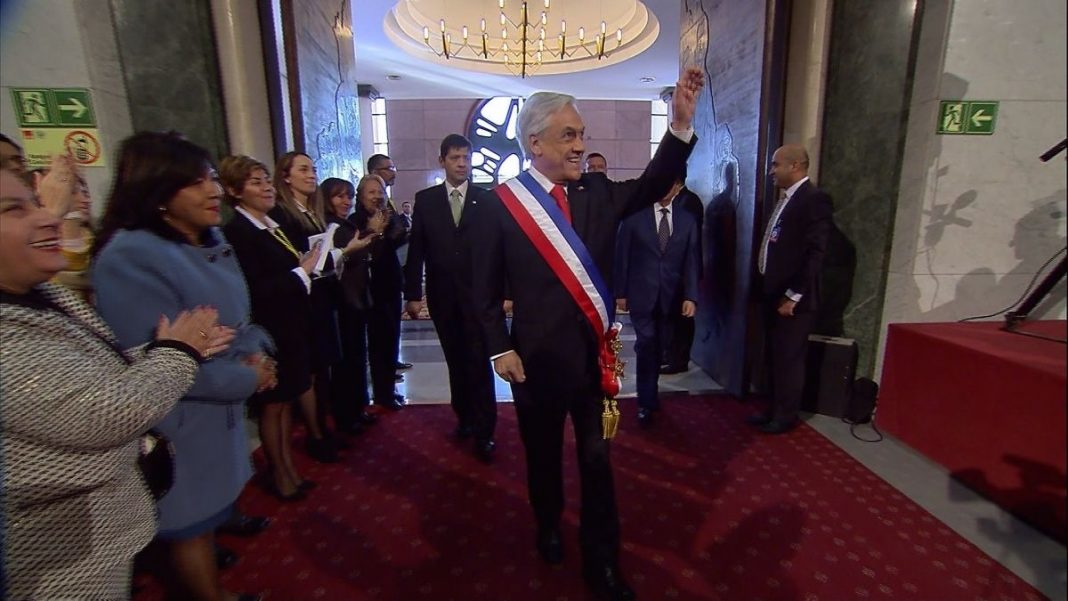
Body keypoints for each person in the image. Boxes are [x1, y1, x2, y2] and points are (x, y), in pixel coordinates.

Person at [470, 67, 704, 601]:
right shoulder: (500, 205)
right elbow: (481, 291)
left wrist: (679, 127)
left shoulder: (597, 192)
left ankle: (603, 564)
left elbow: (652, 182)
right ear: (535, 143)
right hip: (533, 361)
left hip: (596, 359)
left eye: (582, 135)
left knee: (598, 463)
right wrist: (499, 347)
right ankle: (548, 523)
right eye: (569, 135)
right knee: (542, 456)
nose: (580, 146)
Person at [0, 167, 225, 600]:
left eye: (35, 202)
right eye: (14, 209)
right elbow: (101, 414)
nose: (48, 217)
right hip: (57, 555)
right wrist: (177, 352)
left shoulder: (37, 294)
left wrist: (165, 349)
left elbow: (78, 380)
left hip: (96, 526)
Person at [92, 132, 275, 601]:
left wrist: (256, 351)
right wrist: (247, 377)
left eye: (212, 178)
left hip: (219, 405)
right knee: (189, 523)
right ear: (157, 192)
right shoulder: (130, 256)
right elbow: (156, 361)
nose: (213, 191)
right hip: (182, 418)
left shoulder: (208, 237)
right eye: (194, 182)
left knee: (206, 520)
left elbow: (236, 319)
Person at [220, 155, 327, 501]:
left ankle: (289, 470)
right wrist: (301, 272)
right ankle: (280, 475)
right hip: (269, 330)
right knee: (273, 404)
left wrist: (302, 266)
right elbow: (255, 289)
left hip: (291, 324)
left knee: (285, 403)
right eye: (256, 182)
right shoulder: (238, 232)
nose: (267, 188)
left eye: (267, 180)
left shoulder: (270, 225)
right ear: (235, 191)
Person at [405, 134, 497, 463]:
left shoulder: (486, 198)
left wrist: (504, 292)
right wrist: (412, 294)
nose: (461, 163)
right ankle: (465, 417)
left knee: (479, 360)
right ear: (442, 161)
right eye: (455, 158)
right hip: (443, 297)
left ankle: (485, 431)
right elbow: (416, 250)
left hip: (478, 296)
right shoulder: (426, 200)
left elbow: (496, 250)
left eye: (466, 158)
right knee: (456, 361)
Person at [747, 144, 833, 434]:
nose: (771, 171)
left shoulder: (814, 200)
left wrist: (793, 295)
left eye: (776, 165)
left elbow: (816, 253)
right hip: (772, 294)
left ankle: (785, 415)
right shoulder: (785, 199)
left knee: (788, 359)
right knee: (773, 356)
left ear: (795, 166)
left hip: (793, 300)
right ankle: (772, 407)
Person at [271, 151, 342, 462]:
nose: (311, 175)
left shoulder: (313, 212)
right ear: (285, 177)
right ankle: (316, 433)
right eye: (303, 170)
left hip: (321, 295)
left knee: (323, 367)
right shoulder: (282, 214)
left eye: (313, 169)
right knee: (310, 369)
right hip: (301, 299)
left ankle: (324, 426)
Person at [614, 175, 699, 426]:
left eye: (670, 184)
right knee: (646, 344)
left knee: (660, 346)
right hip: (641, 294)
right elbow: (622, 256)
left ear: (677, 187)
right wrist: (621, 293)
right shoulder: (634, 218)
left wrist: (691, 296)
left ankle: (651, 395)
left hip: (672, 297)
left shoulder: (687, 220)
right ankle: (645, 401)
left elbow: (692, 261)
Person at [321, 176, 383, 434]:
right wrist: (372, 232)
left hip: (356, 298)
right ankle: (347, 417)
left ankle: (356, 410)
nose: (346, 201)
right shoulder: (331, 227)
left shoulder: (343, 223)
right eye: (339, 196)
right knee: (346, 362)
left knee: (357, 357)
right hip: (343, 301)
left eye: (348, 196)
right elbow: (338, 258)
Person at [351, 173, 409, 410]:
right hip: (368, 289)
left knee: (391, 337)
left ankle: (387, 389)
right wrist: (373, 231)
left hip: (391, 285)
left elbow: (398, 240)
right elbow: (362, 253)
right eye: (372, 192)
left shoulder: (390, 218)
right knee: (376, 342)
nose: (377, 197)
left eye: (381, 192)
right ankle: (378, 394)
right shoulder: (354, 221)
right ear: (361, 196)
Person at [366, 153, 412, 373]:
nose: (394, 172)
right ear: (375, 172)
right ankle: (383, 368)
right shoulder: (372, 207)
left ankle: (391, 361)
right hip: (378, 276)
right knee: (381, 325)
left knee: (393, 321)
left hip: (392, 271)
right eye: (389, 168)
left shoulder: (388, 200)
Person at [659, 180, 704, 374]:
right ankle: (669, 354)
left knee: (682, 318)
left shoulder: (688, 201)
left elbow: (687, 243)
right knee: (669, 318)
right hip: (668, 275)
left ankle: (679, 359)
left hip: (683, 272)